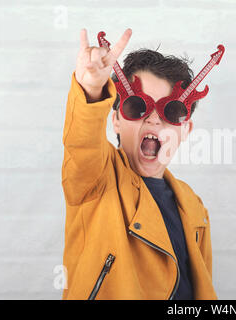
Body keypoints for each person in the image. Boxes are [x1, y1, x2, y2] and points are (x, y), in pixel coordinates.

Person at [61, 28, 217, 300]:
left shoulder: (195, 207)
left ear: (185, 130)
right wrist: (91, 89)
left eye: (171, 111)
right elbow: (81, 144)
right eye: (137, 107)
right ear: (117, 120)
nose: (154, 120)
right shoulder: (97, 180)